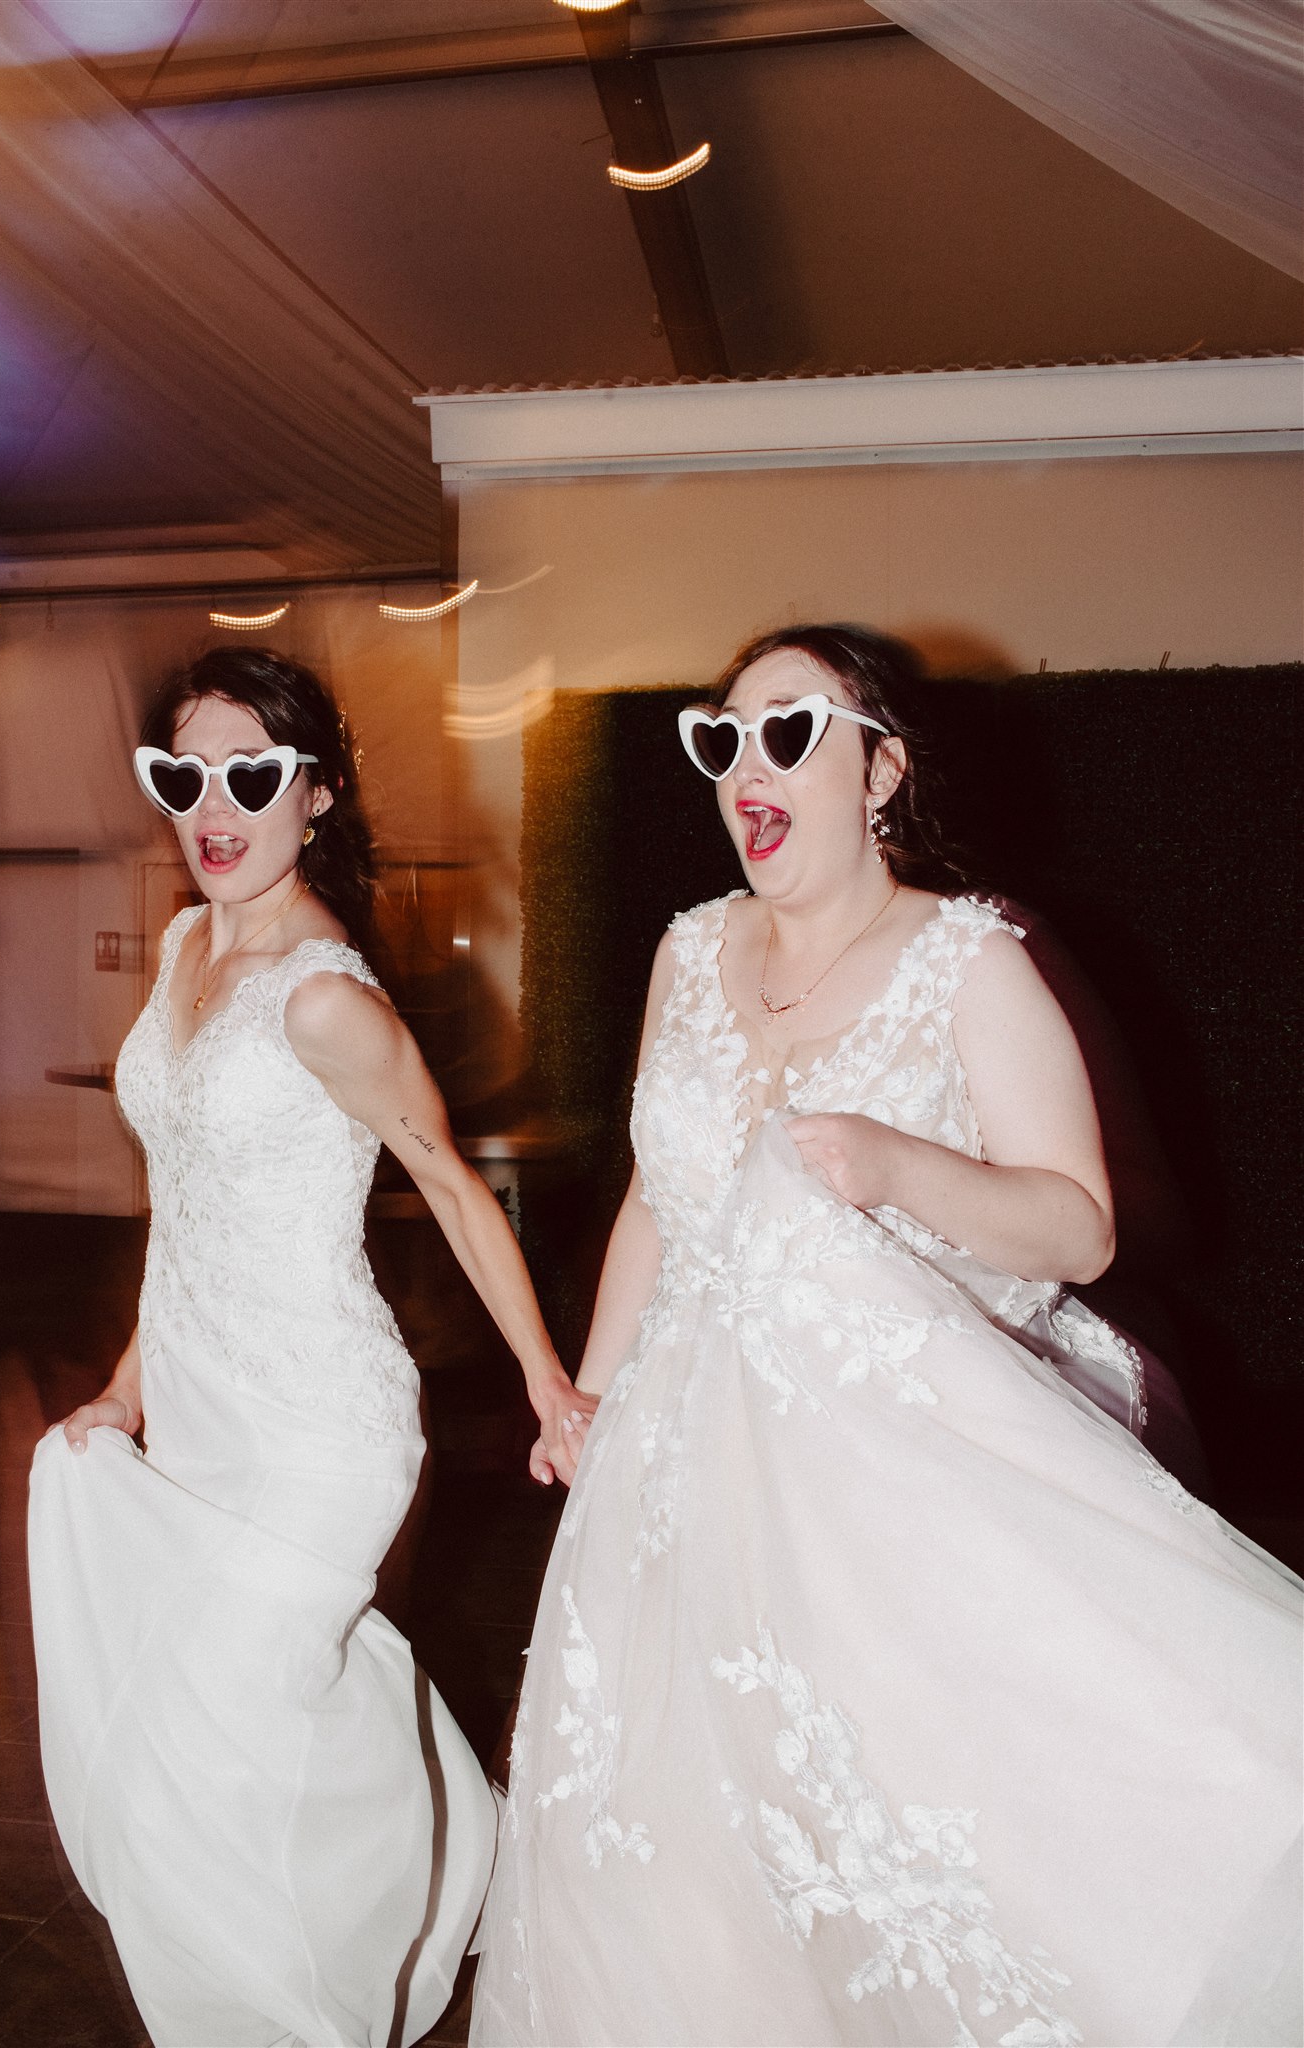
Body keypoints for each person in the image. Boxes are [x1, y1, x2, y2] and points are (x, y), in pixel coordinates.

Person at [470, 625, 1302, 2048]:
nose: (747, 766)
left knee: (918, 1838)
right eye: (721, 738)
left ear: (882, 770)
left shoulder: (965, 958)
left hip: (887, 1489)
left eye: (790, 731)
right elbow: (656, 1205)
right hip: (678, 1481)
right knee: (685, 1842)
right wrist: (591, 1391)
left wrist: (897, 1165)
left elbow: (1079, 1226)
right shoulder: (685, 955)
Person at [27, 646, 594, 2048]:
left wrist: (548, 1382)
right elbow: (186, 1210)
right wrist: (122, 1389)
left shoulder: (327, 1002)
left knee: (195, 1756)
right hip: (206, 1411)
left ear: (317, 795)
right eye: (184, 776)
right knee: (252, 1721)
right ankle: (455, 1859)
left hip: (318, 1434)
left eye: (253, 775)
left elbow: (456, 1189)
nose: (213, 809)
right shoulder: (185, 950)